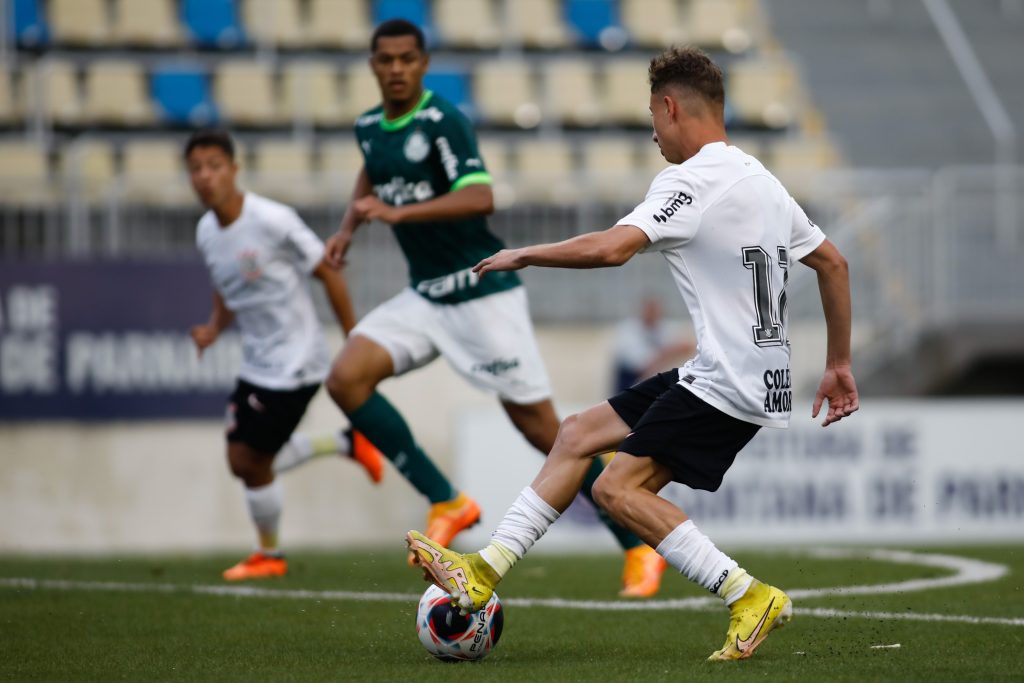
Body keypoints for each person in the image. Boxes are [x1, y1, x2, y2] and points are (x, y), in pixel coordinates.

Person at [407, 46, 859, 662]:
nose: (653, 134)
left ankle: (749, 595)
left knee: (618, 491)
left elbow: (611, 248)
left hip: (728, 380)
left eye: (653, 116)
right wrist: (838, 363)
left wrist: (525, 253)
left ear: (671, 107)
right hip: (746, 373)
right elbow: (833, 263)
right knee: (576, 434)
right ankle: (481, 571)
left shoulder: (691, 179)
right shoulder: (762, 180)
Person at [323, 19, 666, 596]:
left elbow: (480, 196)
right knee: (345, 378)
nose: (397, 69)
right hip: (427, 295)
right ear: (373, 66)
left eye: (408, 59)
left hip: (481, 291)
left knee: (547, 433)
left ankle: (637, 546)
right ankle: (448, 500)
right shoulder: (368, 127)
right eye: (386, 60)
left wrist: (399, 214)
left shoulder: (443, 122)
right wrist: (349, 226)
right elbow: (373, 170)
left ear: (423, 63)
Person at [186, 129, 385, 582]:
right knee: (250, 459)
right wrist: (215, 328)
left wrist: (354, 337)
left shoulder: (272, 219)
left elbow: (329, 272)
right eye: (196, 169)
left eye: (214, 166)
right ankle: (346, 442)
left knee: (247, 460)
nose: (205, 177)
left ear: (234, 171)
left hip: (297, 360)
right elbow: (225, 283)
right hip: (259, 361)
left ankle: (268, 554)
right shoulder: (206, 232)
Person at [612, 296, 696, 393]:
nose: (652, 313)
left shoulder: (664, 327)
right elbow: (640, 365)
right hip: (629, 381)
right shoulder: (628, 330)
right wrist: (667, 353)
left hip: (653, 379)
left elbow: (687, 346)